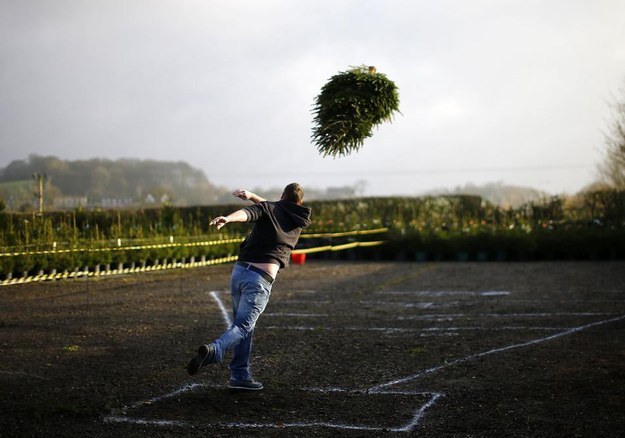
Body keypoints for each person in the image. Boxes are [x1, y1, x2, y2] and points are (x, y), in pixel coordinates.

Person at [187, 183, 312, 390]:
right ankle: (215, 350)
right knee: (243, 327)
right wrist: (253, 196)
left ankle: (240, 375)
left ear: (281, 196)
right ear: (300, 202)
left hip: (239, 273)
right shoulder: (298, 219)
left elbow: (249, 213)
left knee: (244, 327)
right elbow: (266, 208)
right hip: (259, 280)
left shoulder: (269, 208)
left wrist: (228, 218)